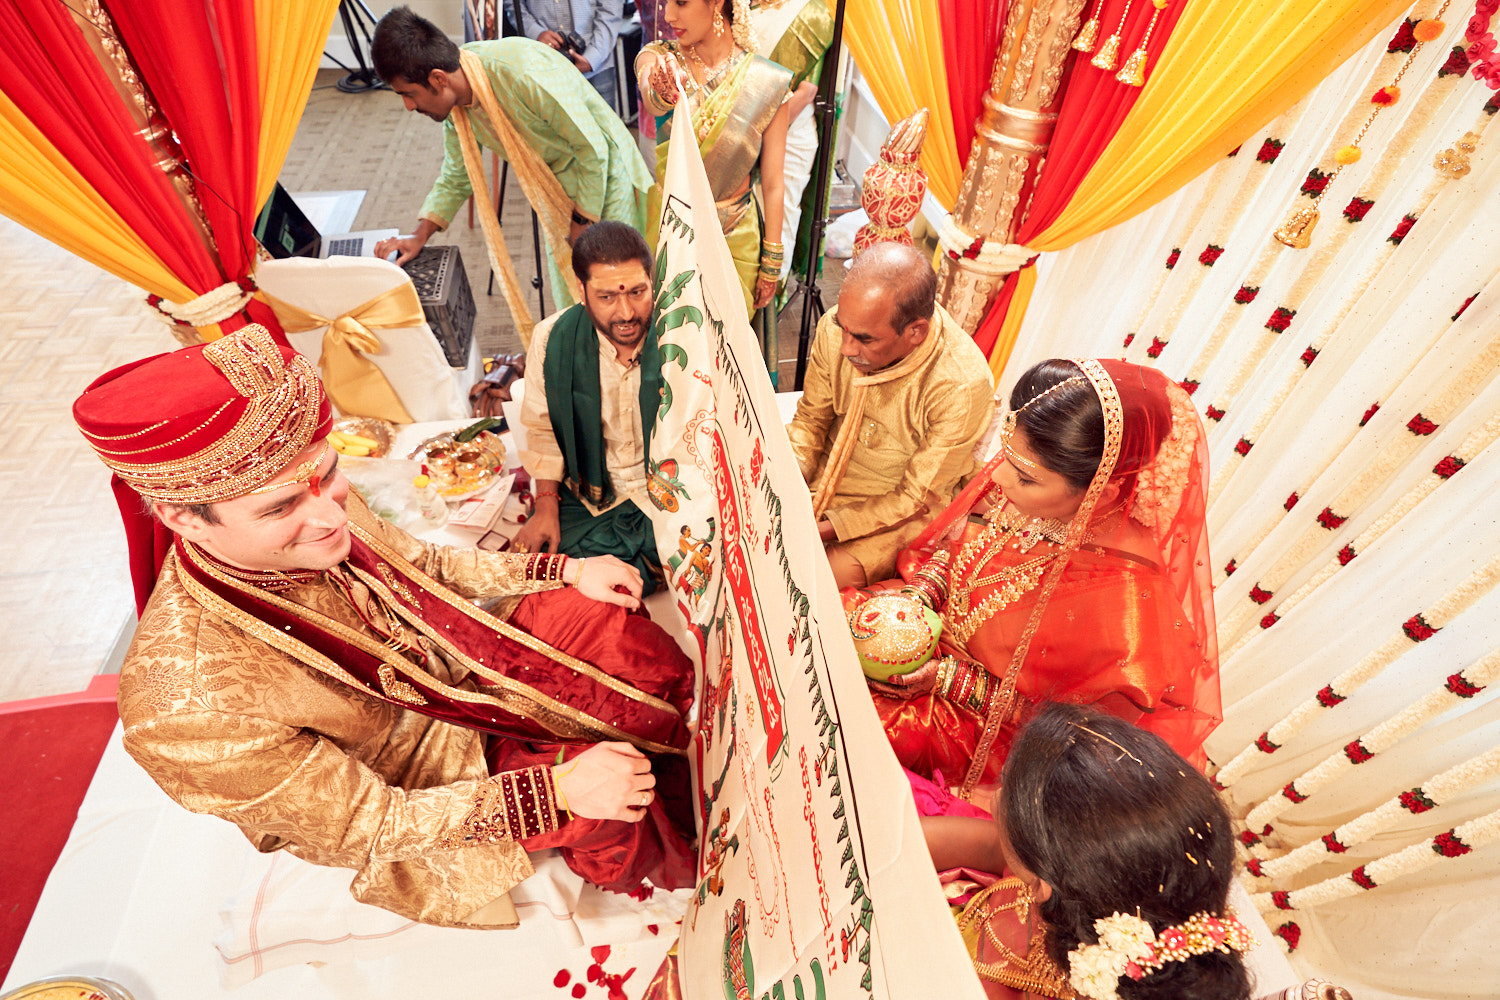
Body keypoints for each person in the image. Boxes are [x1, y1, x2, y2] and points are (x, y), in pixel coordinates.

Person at [73, 326, 696, 928]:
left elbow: (423, 563)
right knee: (617, 812)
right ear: (186, 521)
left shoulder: (316, 495)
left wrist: (559, 571)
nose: (326, 518)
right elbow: (365, 824)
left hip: (453, 654)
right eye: (281, 507)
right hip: (417, 779)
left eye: (327, 474)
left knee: (615, 630)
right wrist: (554, 792)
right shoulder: (183, 706)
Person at [853, 358, 1221, 800]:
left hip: (985, 726)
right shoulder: (1035, 489)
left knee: (853, 721)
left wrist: (949, 680)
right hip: (927, 640)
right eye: (1006, 456)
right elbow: (954, 552)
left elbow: (1075, 739)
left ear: (1100, 494)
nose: (1000, 478)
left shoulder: (1127, 605)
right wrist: (918, 598)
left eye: (1025, 476)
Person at [922, 703, 1255, 1000]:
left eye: (1004, 785)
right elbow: (992, 846)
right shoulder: (1128, 887)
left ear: (1041, 885)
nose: (995, 791)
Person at [370, 7, 652, 320]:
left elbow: (592, 149)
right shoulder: (459, 105)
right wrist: (419, 235)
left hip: (607, 177)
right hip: (557, 193)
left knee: (619, 292)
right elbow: (457, 174)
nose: (408, 106)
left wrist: (582, 221)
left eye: (408, 94)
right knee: (576, 302)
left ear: (438, 79)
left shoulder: (522, 74)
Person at [785, 242, 995, 590]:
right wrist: (784, 485)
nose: (846, 348)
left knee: (809, 579)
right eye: (844, 328)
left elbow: (915, 496)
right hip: (827, 468)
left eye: (865, 340)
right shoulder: (835, 327)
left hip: (897, 509)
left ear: (915, 332)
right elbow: (810, 422)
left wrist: (822, 528)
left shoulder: (960, 384)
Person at [635, 0, 790, 359]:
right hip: (672, 228)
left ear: (717, 3)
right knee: (675, 351)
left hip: (735, 238)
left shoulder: (767, 82)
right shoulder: (661, 60)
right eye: (666, 4)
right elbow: (651, 89)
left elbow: (773, 182)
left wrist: (772, 262)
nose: (669, 16)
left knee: (726, 354)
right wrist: (657, 84)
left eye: (682, 3)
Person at [513, 221, 662, 589]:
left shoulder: (683, 335)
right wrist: (546, 506)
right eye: (607, 297)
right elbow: (542, 430)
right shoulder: (553, 340)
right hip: (592, 496)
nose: (626, 313)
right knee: (541, 574)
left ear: (652, 282)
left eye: (638, 292)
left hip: (670, 495)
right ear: (581, 290)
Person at [517, 0, 629, 109]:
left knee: (605, 127)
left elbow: (611, 8)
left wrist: (592, 57)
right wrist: (535, 32)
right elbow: (513, 5)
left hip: (596, 67)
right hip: (542, 65)